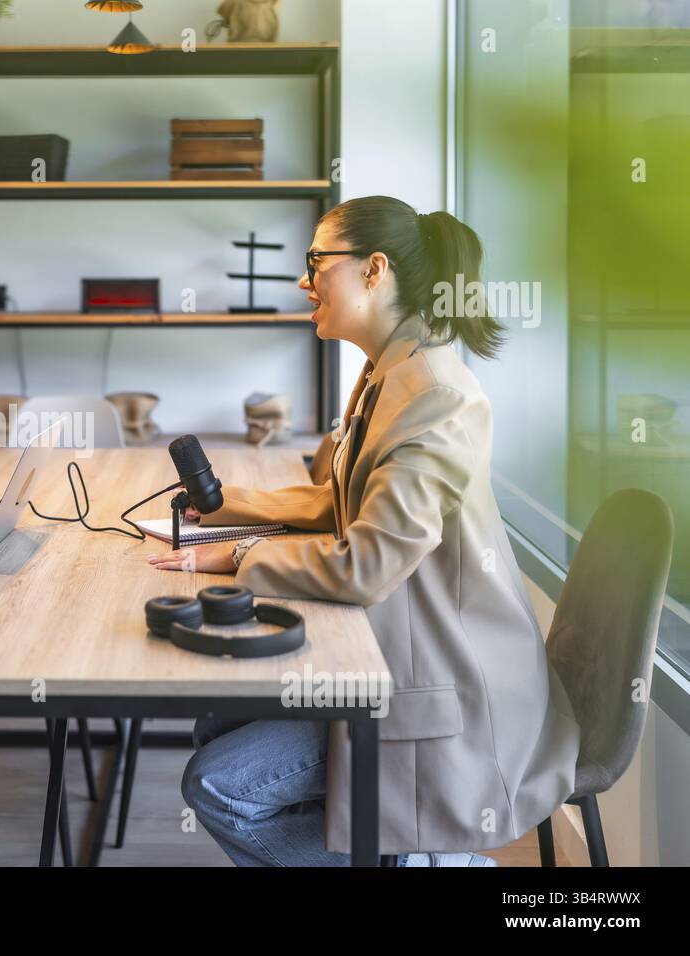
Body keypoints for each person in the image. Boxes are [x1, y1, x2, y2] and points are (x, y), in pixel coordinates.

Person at [147, 196, 580, 866]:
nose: (303, 280)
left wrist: (239, 559)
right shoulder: (389, 372)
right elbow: (339, 502)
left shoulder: (437, 396)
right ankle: (389, 847)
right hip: (392, 654)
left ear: (374, 270)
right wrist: (230, 506)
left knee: (216, 785)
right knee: (218, 723)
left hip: (444, 689)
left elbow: (367, 565)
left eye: (316, 261)